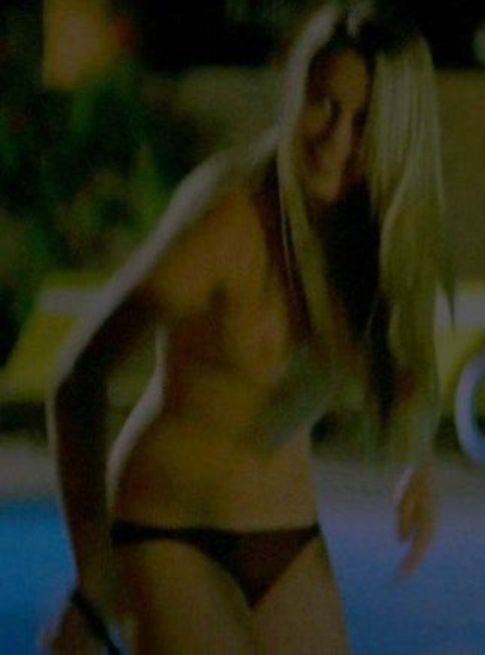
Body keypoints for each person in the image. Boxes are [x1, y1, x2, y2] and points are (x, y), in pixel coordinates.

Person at [46, 2, 449, 653]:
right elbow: (78, 377)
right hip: (169, 530)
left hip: (287, 533)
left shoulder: (379, 237)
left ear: (398, 135)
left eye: (363, 121)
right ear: (297, 94)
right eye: (323, 105)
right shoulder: (229, 215)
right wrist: (92, 583)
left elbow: (404, 351)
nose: (335, 138)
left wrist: (417, 460)